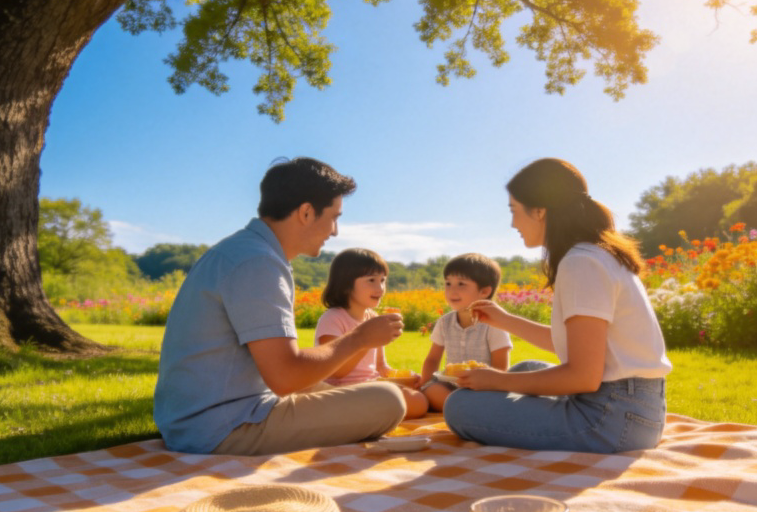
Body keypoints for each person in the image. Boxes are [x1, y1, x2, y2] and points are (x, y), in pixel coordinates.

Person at [154, 157, 407, 455]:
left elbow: (281, 370)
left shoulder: (244, 251)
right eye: (334, 216)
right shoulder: (258, 263)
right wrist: (360, 338)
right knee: (388, 400)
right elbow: (286, 376)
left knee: (355, 393)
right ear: (306, 212)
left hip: (209, 415)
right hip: (221, 427)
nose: (335, 231)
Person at [443, 158, 671, 453]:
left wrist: (497, 382)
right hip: (635, 410)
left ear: (539, 210)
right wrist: (505, 321)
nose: (513, 223)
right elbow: (580, 347)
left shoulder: (581, 263)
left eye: (514, 211)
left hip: (610, 421)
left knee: (460, 406)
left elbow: (582, 376)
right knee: (524, 368)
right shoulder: (595, 254)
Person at [315, 248, 429, 418]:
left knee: (418, 398)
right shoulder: (332, 318)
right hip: (340, 391)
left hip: (371, 386)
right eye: (371, 280)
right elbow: (336, 371)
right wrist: (365, 340)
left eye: (383, 280)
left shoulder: (374, 318)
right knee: (414, 403)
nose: (380, 288)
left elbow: (381, 367)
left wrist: (405, 378)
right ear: (345, 284)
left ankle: (373, 414)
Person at [418, 253, 512, 411]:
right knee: (432, 391)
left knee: (487, 401)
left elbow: (501, 367)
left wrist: (488, 385)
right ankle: (462, 409)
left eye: (461, 284)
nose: (452, 290)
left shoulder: (494, 323)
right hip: (449, 386)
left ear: (484, 292)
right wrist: (425, 384)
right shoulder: (445, 322)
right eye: (448, 283)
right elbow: (432, 359)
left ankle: (463, 410)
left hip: (484, 388)